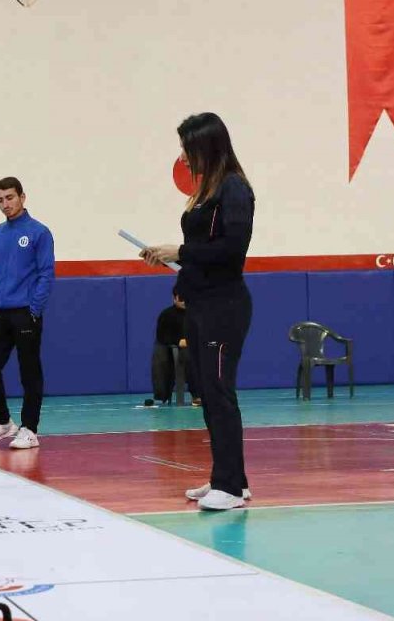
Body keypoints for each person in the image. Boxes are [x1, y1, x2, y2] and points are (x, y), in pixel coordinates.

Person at [141, 113, 255, 511]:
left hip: (225, 307)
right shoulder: (206, 192)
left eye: (187, 149)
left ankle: (230, 486)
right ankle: (228, 480)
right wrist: (173, 263)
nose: (183, 158)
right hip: (201, 304)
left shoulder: (235, 189)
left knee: (220, 392)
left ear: (206, 147)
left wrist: (181, 251)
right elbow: (201, 254)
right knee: (206, 393)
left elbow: (232, 251)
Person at [0, 177, 55, 450]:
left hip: (26, 313)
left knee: (29, 372)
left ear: (22, 197)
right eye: (0, 200)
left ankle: (30, 429)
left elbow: (46, 273)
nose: (5, 204)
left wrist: (35, 308)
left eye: (9, 198)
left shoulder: (39, 232)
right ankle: (2, 422)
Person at [143, 285, 200, 407]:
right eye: (181, 299)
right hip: (170, 348)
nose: (184, 301)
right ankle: (160, 396)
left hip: (192, 347)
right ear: (174, 298)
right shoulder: (166, 315)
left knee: (191, 356)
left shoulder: (197, 313)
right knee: (160, 355)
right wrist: (178, 341)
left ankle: (197, 395)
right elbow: (162, 336)